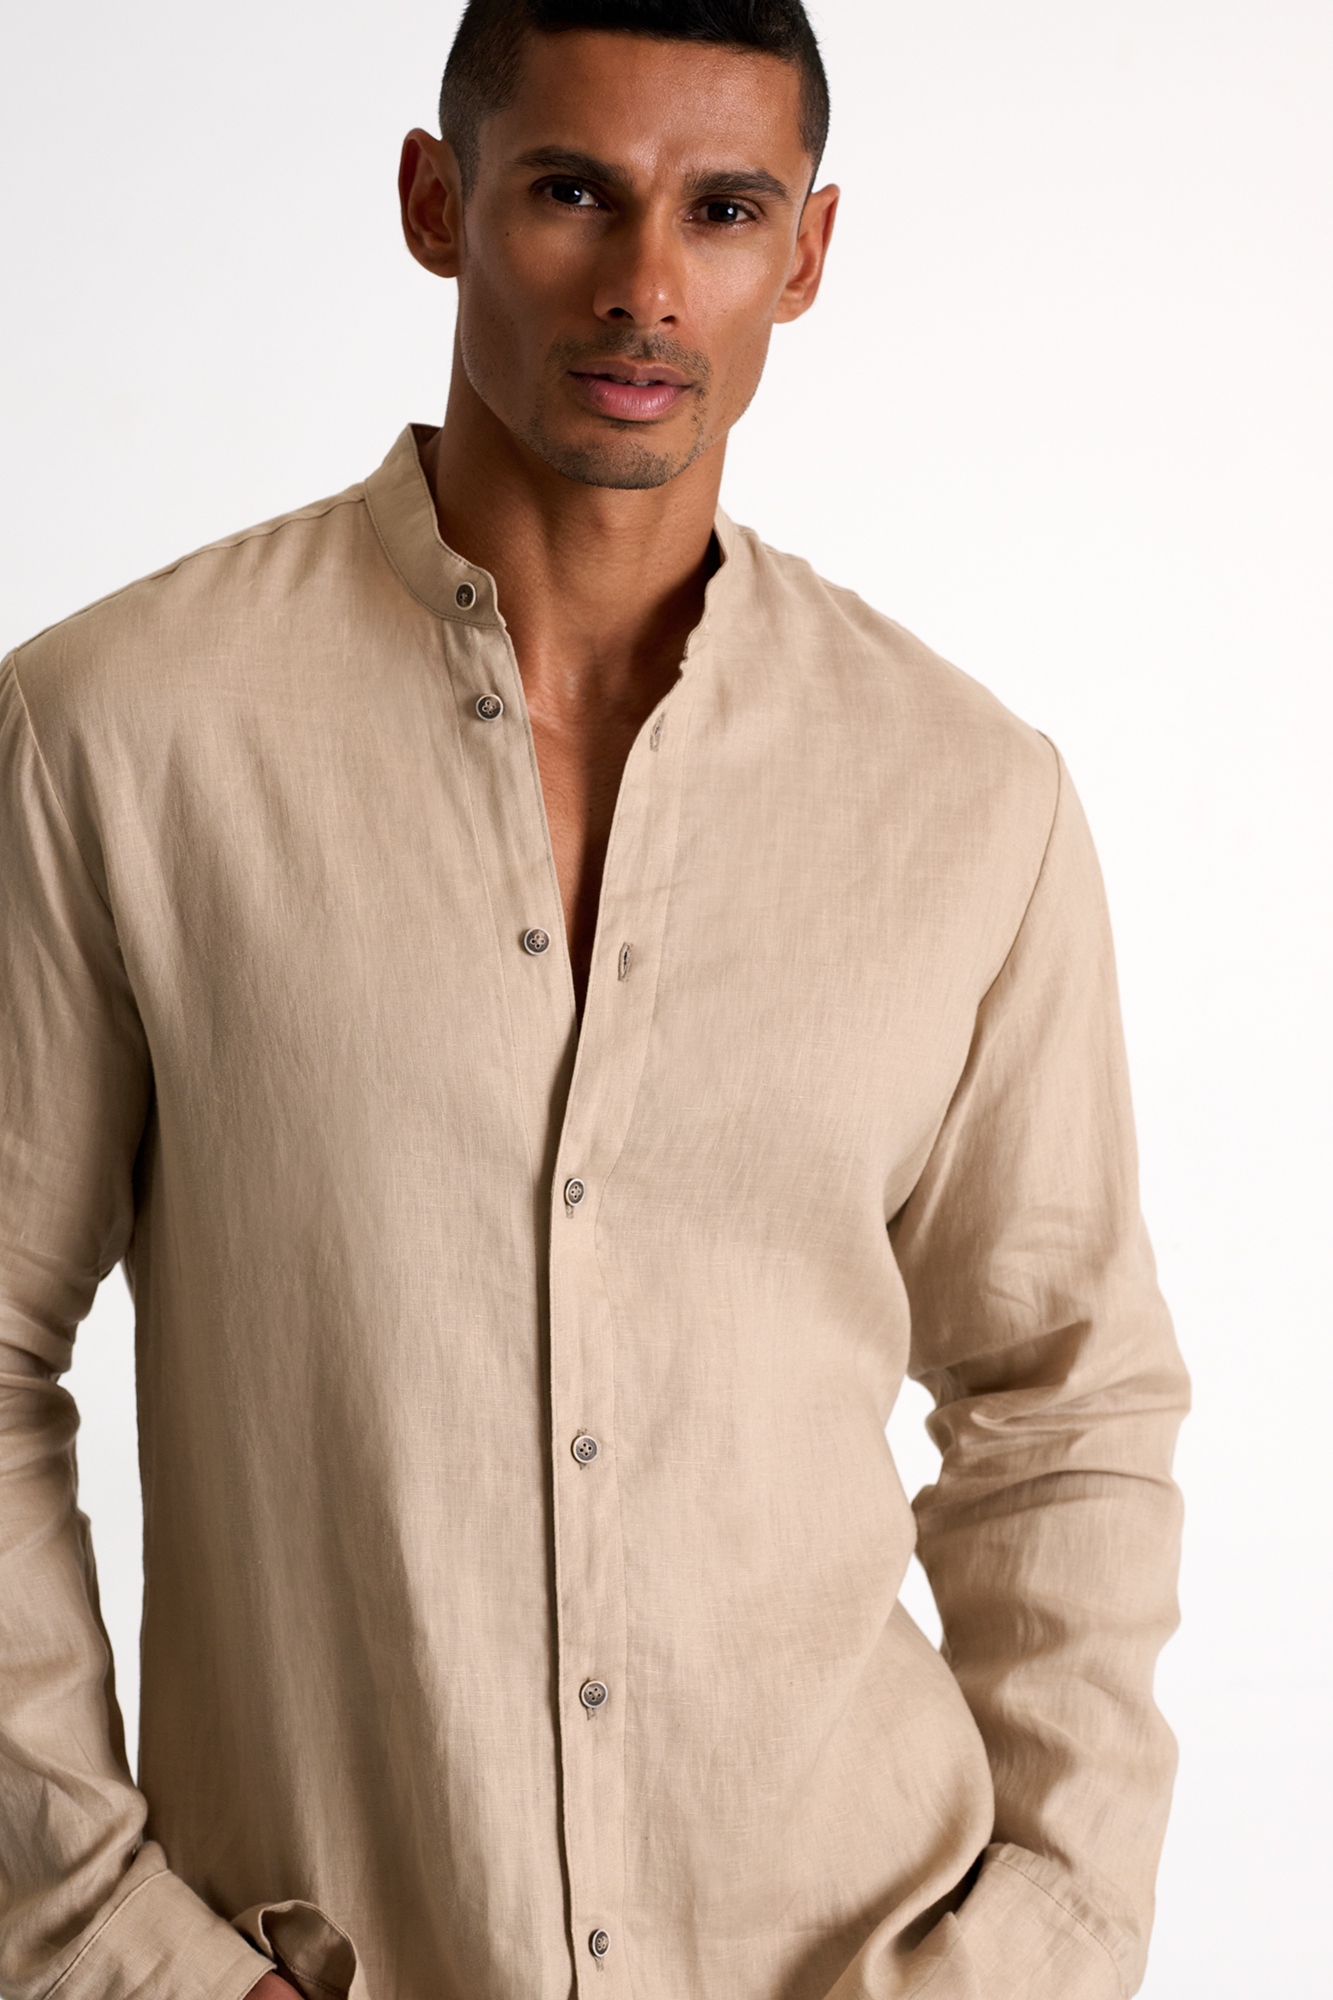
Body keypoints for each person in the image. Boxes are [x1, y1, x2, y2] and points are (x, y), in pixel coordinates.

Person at [0, 3, 1190, 1998]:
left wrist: (1043, 1939)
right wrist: (108, 1941)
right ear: (434, 201)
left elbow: (1067, 1403)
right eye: (573, 192)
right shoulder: (121, 733)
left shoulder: (967, 796)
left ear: (804, 252)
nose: (647, 285)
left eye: (722, 209)